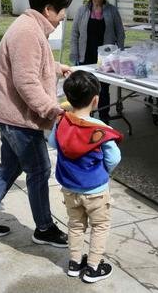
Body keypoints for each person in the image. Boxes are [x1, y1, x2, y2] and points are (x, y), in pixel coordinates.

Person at [0, 0, 73, 248]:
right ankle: (44, 228)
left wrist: (57, 67)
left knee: (10, 167)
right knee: (39, 169)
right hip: (17, 119)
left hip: (8, 115)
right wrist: (51, 109)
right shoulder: (27, 32)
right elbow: (26, 81)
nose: (64, 17)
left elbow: (33, 62)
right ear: (49, 9)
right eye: (62, 11)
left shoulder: (31, 27)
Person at [48, 70, 122, 283]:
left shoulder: (62, 122)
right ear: (96, 99)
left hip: (70, 188)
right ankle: (93, 267)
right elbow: (114, 157)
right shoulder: (101, 129)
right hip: (96, 191)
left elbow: (53, 143)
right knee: (100, 226)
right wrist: (104, 171)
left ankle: (73, 263)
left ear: (68, 99)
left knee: (75, 225)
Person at [69, 0, 125, 124]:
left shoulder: (112, 11)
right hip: (86, 54)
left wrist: (119, 54)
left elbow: (120, 33)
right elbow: (74, 33)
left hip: (105, 58)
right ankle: (88, 118)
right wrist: (74, 55)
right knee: (86, 87)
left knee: (103, 88)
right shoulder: (82, 10)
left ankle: (104, 118)